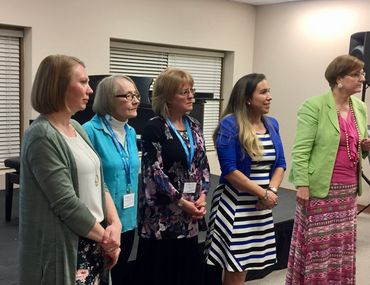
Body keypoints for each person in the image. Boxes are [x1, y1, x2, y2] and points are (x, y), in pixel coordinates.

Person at [19, 55, 122, 285]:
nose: (91, 89)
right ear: (59, 86)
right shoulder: (42, 136)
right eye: (83, 82)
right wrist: (107, 239)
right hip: (69, 244)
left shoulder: (75, 127)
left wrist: (115, 224)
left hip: (94, 237)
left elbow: (100, 182)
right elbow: (66, 204)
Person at [286, 54, 370, 284]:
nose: (362, 79)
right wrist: (302, 184)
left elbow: (357, 149)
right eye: (356, 75)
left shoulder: (359, 107)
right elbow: (301, 150)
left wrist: (364, 147)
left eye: (362, 74)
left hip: (348, 189)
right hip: (321, 188)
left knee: (340, 245)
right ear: (339, 79)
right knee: (318, 245)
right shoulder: (314, 106)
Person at [204, 73, 286, 285]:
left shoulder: (272, 124)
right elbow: (230, 171)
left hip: (261, 206)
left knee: (247, 264)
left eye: (269, 91)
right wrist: (264, 194)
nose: (269, 96)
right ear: (248, 98)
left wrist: (272, 192)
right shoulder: (230, 125)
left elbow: (280, 164)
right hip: (236, 207)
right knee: (236, 267)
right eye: (263, 92)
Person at [136, 67, 210, 285]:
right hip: (162, 216)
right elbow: (153, 172)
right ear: (167, 97)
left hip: (190, 213)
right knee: (162, 273)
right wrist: (181, 201)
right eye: (184, 92)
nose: (191, 96)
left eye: (191, 90)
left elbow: (202, 165)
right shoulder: (154, 128)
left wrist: (202, 196)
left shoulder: (194, 126)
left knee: (186, 271)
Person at [83, 75, 140, 284]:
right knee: (102, 275)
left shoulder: (131, 132)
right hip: (103, 223)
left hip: (128, 217)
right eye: (127, 95)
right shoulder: (89, 131)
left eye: (136, 95)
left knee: (122, 272)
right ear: (108, 99)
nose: (135, 100)